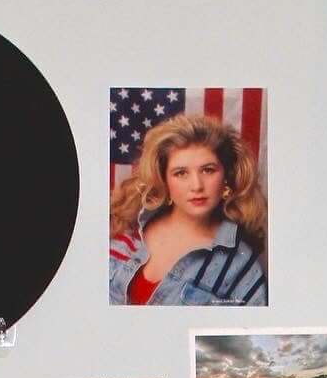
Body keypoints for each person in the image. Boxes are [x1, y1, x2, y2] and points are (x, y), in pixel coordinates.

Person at [109, 113, 267, 307]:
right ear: (163, 179)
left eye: (208, 170)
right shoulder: (124, 227)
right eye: (181, 173)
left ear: (227, 176)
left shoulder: (242, 267)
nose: (197, 185)